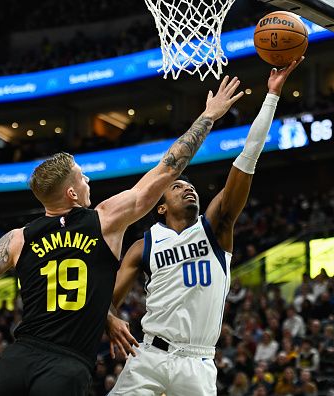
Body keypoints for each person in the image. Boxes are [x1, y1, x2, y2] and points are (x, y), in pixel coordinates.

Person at [0, 75, 245, 395]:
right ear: (73, 193)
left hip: (19, 357)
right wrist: (208, 117)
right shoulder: (105, 219)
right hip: (66, 366)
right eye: (82, 175)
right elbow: (168, 167)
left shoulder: (18, 239)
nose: (89, 177)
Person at [106, 58, 303, 395]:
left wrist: (271, 97)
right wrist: (109, 320)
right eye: (177, 185)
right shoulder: (144, 245)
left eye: (191, 185)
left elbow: (247, 159)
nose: (188, 187)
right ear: (161, 205)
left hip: (197, 363)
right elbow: (106, 299)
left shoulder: (215, 227)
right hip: (149, 355)